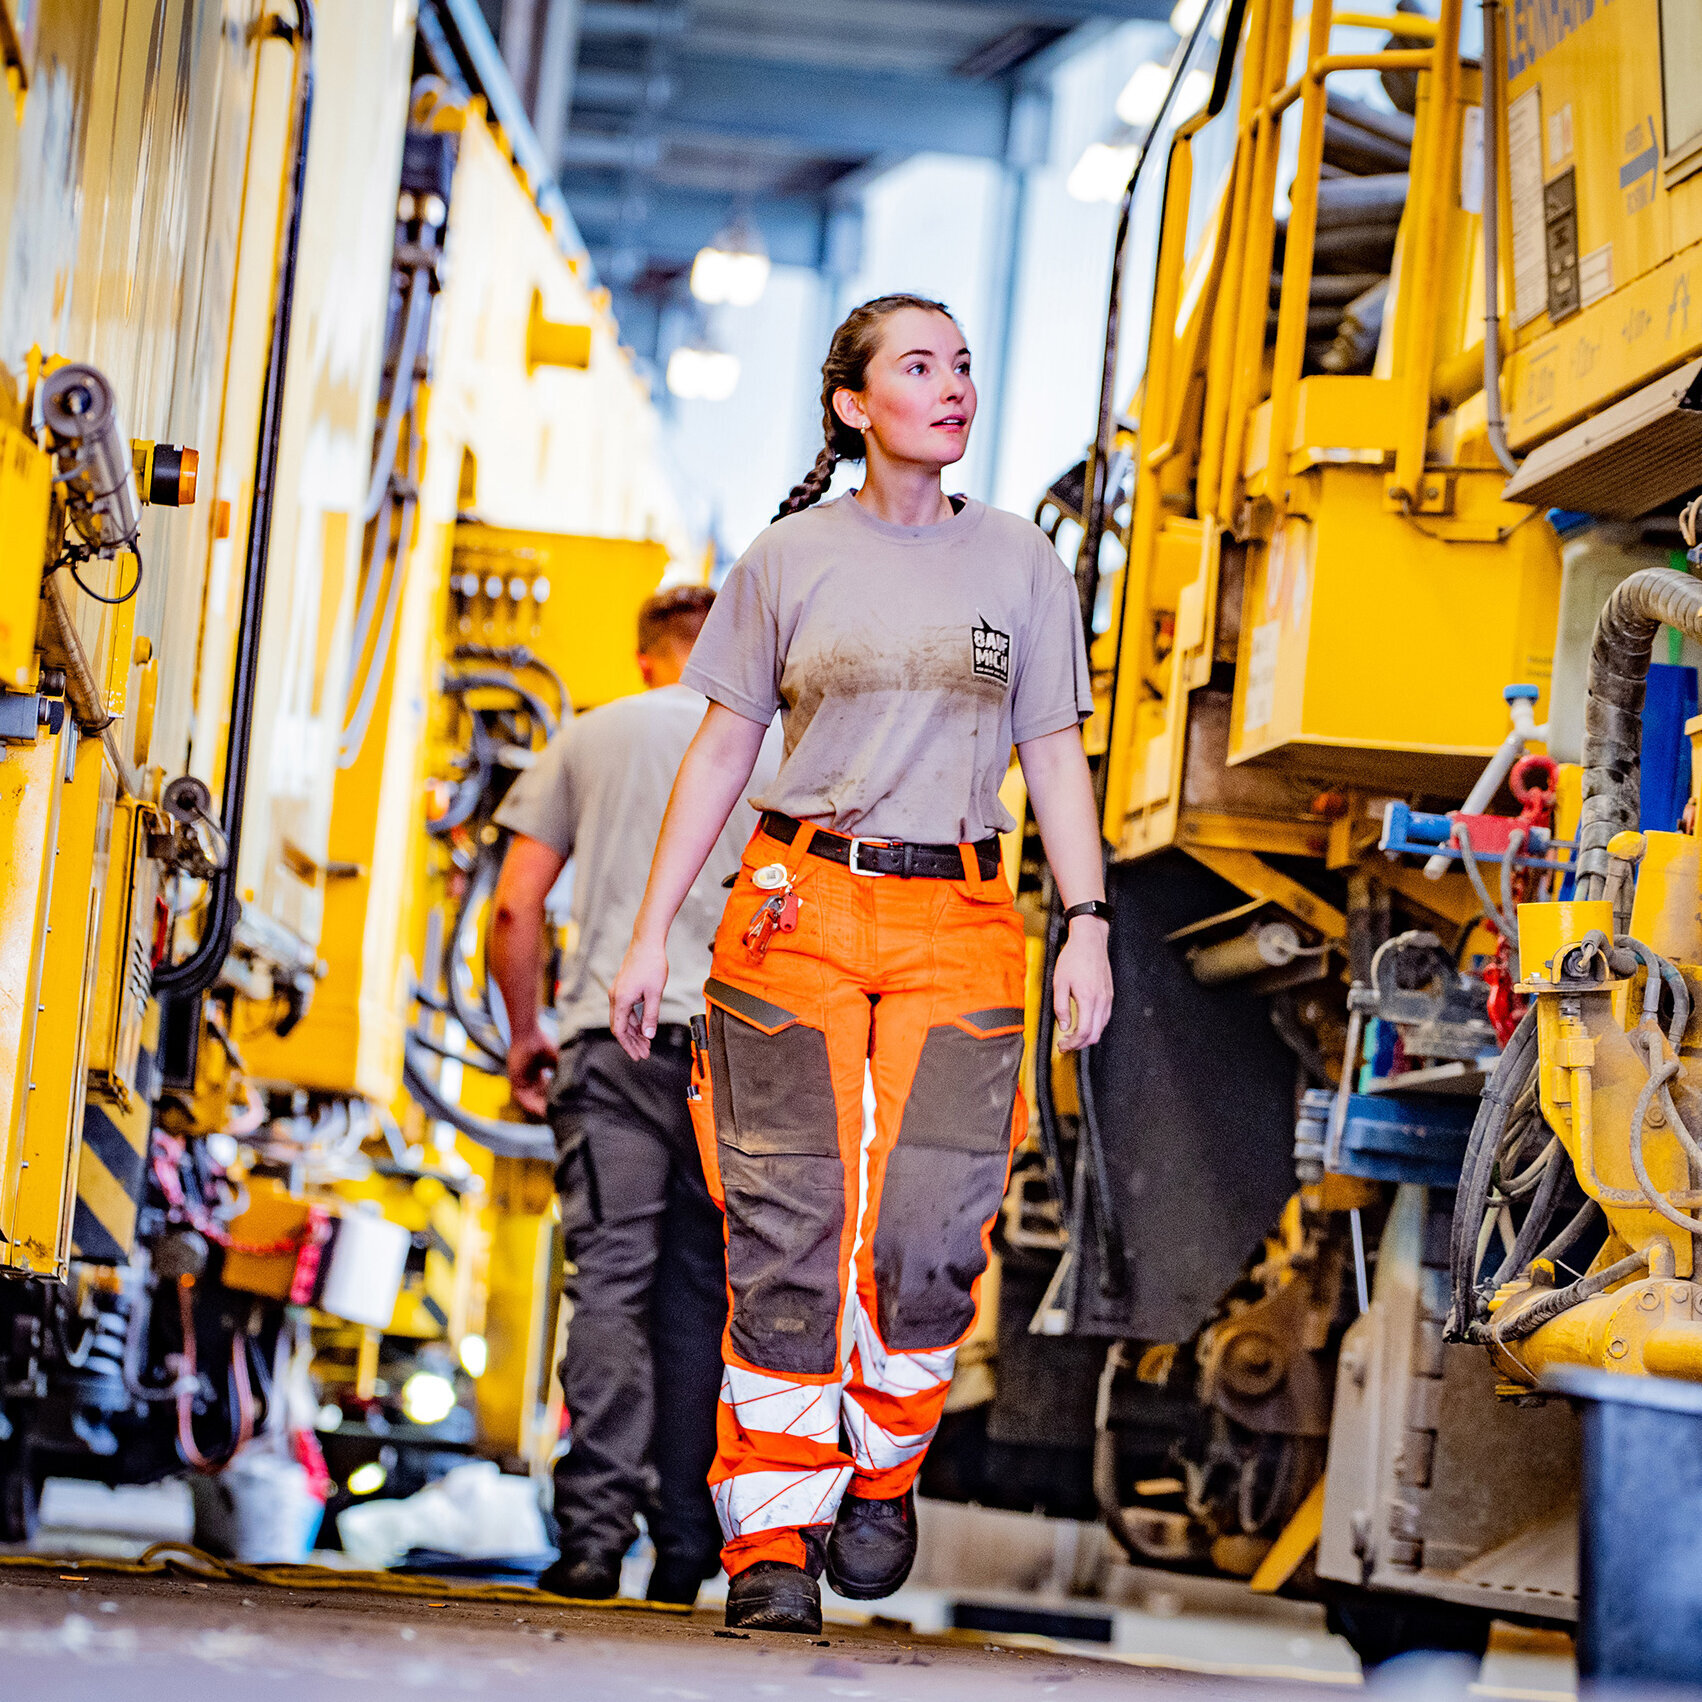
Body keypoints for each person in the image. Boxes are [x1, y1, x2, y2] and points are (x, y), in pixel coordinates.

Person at [609, 294, 1115, 1634]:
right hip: (797, 911)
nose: (949, 384)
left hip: (959, 918)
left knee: (931, 1233)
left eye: (959, 362)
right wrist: (652, 927)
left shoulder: (1018, 563)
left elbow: (1053, 750)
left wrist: (1088, 923)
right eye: (916, 365)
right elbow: (721, 745)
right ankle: (770, 1533)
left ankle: (882, 1467)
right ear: (853, 405)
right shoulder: (785, 559)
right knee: (785, 1231)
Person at [489, 585, 779, 1606]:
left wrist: (527, 1032)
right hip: (739, 1055)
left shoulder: (590, 734)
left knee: (609, 1283)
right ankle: (690, 1548)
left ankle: (590, 1543)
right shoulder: (781, 751)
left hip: (612, 1045)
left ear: (651, 654)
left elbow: (517, 904)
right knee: (706, 1296)